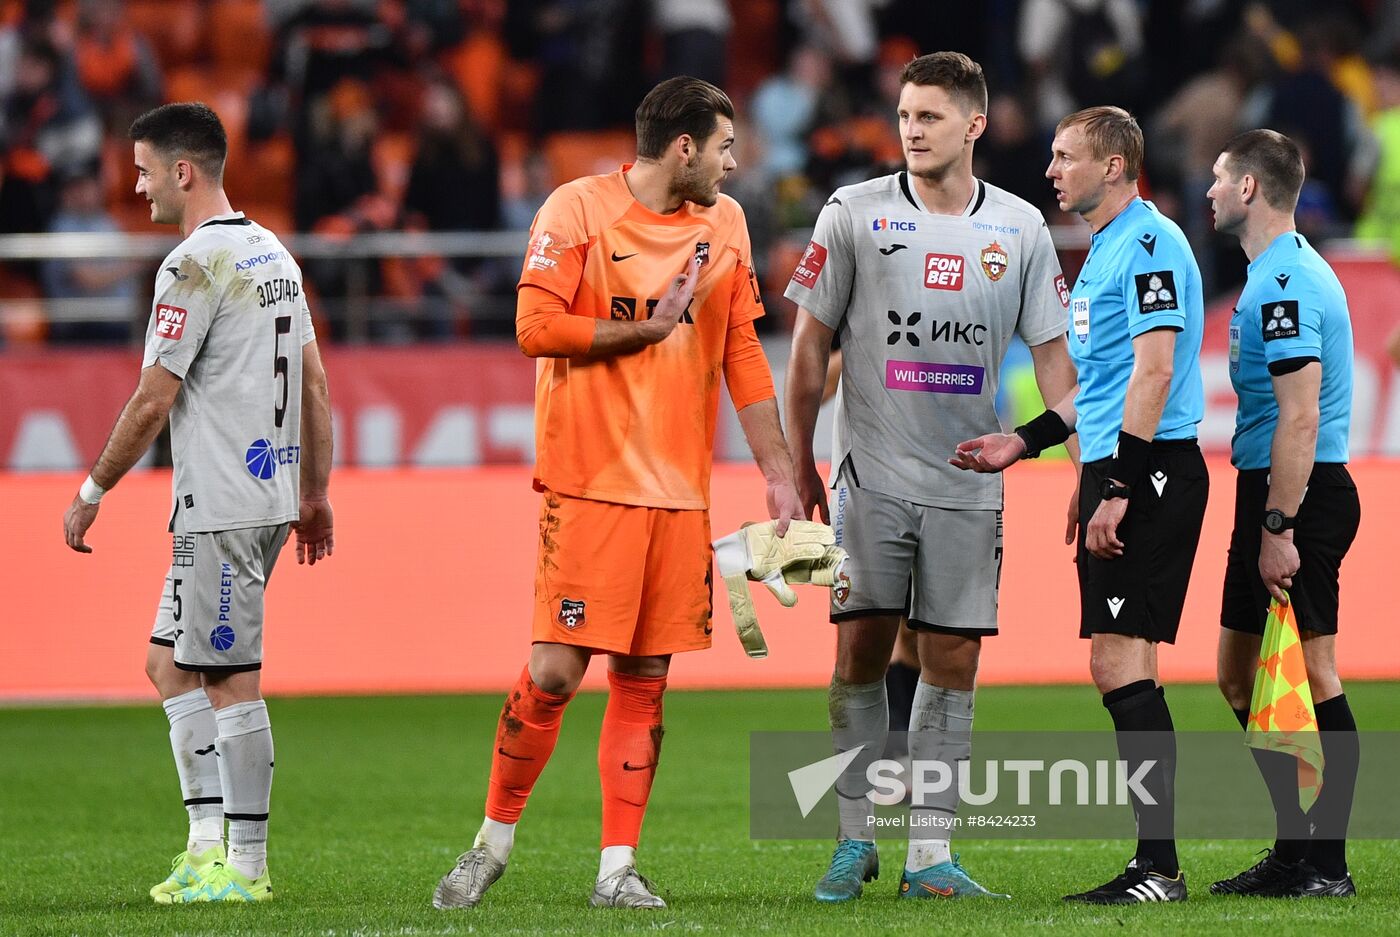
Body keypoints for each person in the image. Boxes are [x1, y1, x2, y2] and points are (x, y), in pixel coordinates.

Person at [433, 76, 804, 912]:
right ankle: (491, 842)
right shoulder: (576, 212)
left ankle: (617, 867)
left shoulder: (728, 225)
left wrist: (778, 470)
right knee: (556, 671)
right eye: (723, 146)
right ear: (683, 148)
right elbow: (534, 326)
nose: (733, 162)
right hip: (590, 482)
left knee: (645, 677)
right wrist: (642, 329)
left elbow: (742, 350)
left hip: (679, 492)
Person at [784, 51, 1079, 902]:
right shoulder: (854, 212)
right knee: (861, 649)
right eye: (905, 116)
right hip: (868, 475)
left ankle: (930, 857)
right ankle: (852, 842)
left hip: (966, 482)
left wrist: (1074, 464)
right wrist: (795, 460)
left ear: (975, 125)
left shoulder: (1019, 228)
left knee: (952, 661)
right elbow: (810, 350)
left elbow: (1055, 364)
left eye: (931, 117)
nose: (911, 131)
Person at [61, 102, 335, 903]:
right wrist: (313, 493)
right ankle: (205, 845)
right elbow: (315, 384)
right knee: (168, 666)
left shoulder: (192, 263)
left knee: (228, 680)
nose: (137, 186)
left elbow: (153, 398)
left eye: (144, 169)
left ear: (184, 171)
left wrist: (92, 489)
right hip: (256, 494)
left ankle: (245, 869)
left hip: (224, 500)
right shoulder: (274, 252)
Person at [952, 105, 1207, 905]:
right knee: (1132, 663)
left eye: (1066, 158)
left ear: (1116, 165)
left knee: (1115, 659)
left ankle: (1158, 867)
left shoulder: (1152, 243)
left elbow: (1154, 373)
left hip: (1152, 470)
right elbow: (1095, 387)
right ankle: (1156, 863)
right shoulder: (1102, 251)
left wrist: (1119, 485)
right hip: (1121, 466)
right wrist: (1023, 442)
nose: (1052, 170)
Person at [1206, 129, 1361, 898]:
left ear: (1248, 190)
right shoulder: (1272, 275)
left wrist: (1279, 527)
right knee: (1239, 676)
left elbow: (1300, 420)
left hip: (1300, 496)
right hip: (1269, 489)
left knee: (1315, 669)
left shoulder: (1286, 284)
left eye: (1217, 178)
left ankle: (1326, 862)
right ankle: (1293, 848)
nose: (1206, 192)